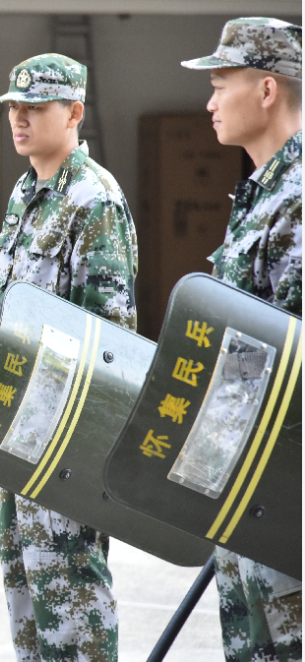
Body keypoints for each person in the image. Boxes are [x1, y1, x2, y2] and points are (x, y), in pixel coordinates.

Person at [0, 54, 138, 662]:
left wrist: (84, 442)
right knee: (28, 587)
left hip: (65, 430)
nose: (19, 120)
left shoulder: (93, 199)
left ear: (74, 113)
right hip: (18, 421)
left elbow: (111, 335)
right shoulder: (28, 193)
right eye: (13, 109)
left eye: (35, 108)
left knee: (71, 586)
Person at [181, 17, 302, 662]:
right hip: (242, 476)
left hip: (284, 480)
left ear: (265, 90)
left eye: (220, 83)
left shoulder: (299, 195)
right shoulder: (260, 191)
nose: (207, 102)